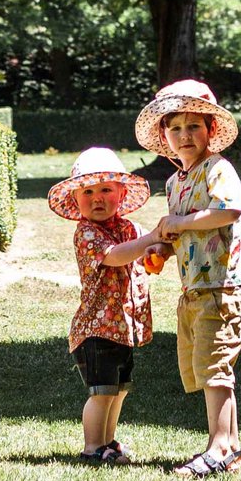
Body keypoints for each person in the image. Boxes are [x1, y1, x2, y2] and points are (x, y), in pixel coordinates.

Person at [134, 78, 241, 478]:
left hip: (221, 285)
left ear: (209, 130)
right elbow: (182, 232)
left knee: (215, 367)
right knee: (205, 368)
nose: (184, 135)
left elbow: (227, 213)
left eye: (193, 126)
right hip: (193, 287)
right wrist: (162, 248)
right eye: (175, 128)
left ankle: (219, 448)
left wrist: (180, 222)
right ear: (164, 136)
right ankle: (231, 446)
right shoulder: (175, 182)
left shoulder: (217, 169)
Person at [47, 146, 159, 464]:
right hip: (96, 328)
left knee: (119, 389)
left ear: (121, 193)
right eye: (88, 191)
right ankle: (92, 446)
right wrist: (149, 239)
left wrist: (156, 250)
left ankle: (109, 441)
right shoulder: (86, 233)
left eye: (106, 189)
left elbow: (143, 255)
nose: (97, 198)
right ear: (76, 199)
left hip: (122, 327)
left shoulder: (129, 228)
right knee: (102, 391)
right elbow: (116, 255)